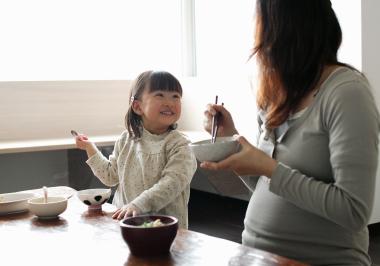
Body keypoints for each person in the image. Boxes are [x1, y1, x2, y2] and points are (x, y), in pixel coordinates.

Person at [201, 0, 379, 265]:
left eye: (259, 22)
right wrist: (231, 140)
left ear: (282, 29)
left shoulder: (346, 93)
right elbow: (268, 183)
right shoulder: (277, 94)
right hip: (255, 256)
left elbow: (353, 210)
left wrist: (271, 168)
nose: (255, 37)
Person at [74, 70, 197, 229]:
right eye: (160, 95)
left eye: (176, 96)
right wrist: (89, 148)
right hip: (124, 224)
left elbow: (171, 184)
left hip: (163, 230)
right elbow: (110, 176)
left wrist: (138, 205)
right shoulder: (126, 140)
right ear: (138, 106)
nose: (170, 102)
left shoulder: (180, 145)